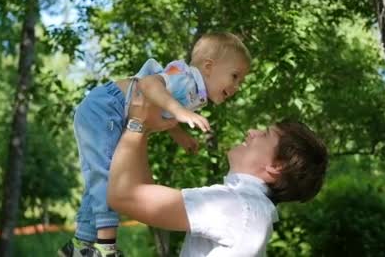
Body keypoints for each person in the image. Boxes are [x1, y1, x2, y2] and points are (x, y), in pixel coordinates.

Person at [58, 33, 251, 257]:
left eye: (241, 81)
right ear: (208, 66)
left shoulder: (196, 92)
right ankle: (105, 246)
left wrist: (179, 134)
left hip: (108, 111)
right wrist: (180, 112)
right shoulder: (187, 78)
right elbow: (149, 85)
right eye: (235, 76)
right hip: (107, 108)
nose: (237, 86)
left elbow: (161, 107)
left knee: (100, 177)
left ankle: (81, 243)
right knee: (107, 176)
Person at [106, 86, 328, 256]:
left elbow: (123, 197)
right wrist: (143, 127)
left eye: (265, 135)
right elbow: (145, 198)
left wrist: (137, 121)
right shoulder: (250, 208)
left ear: (276, 166)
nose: (252, 132)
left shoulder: (235, 205)